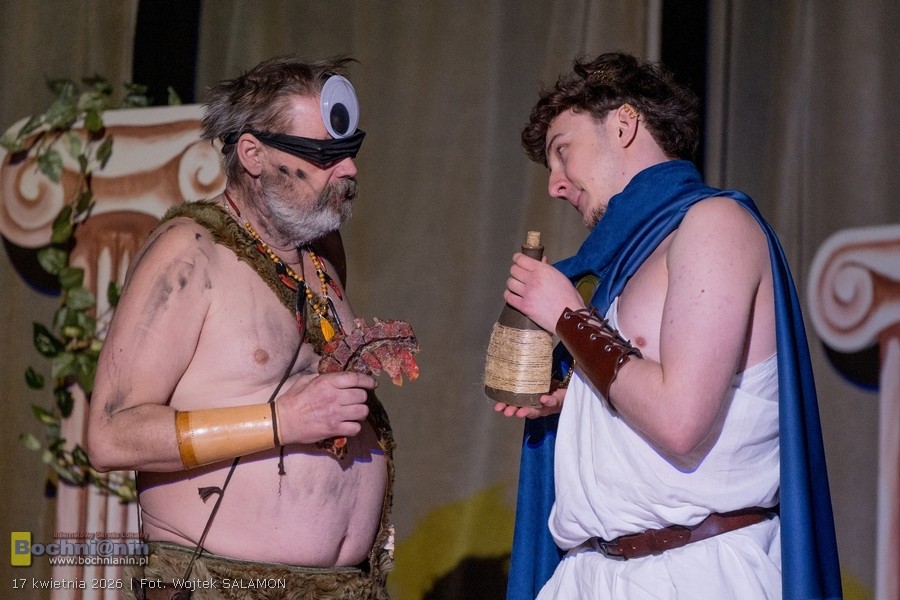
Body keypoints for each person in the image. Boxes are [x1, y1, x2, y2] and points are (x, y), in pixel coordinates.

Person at [495, 53, 841, 599]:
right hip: (591, 575)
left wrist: (568, 317)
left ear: (624, 124)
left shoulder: (714, 225)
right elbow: (647, 386)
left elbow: (680, 421)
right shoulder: (621, 270)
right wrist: (579, 402)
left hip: (691, 572)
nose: (555, 186)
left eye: (563, 152)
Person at [87, 56, 397, 599]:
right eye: (325, 155)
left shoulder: (321, 250)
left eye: (350, 151)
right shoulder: (189, 253)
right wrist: (284, 421)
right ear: (253, 154)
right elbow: (110, 435)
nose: (348, 170)